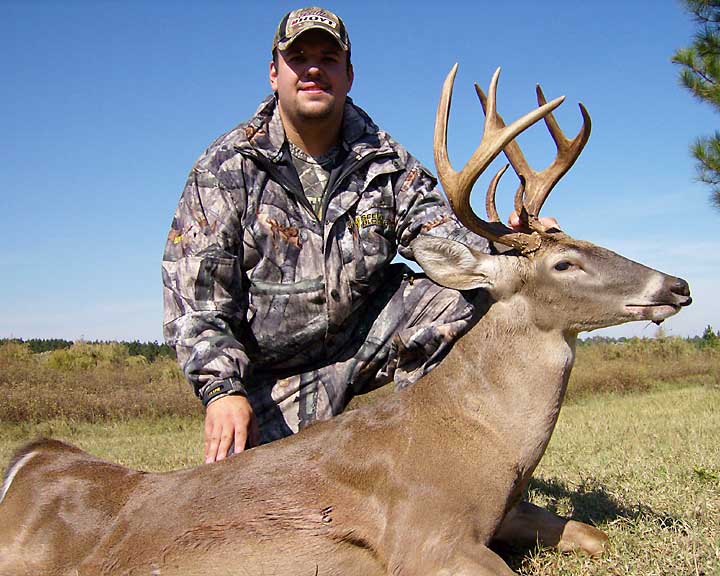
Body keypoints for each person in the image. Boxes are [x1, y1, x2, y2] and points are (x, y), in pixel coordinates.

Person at [162, 6, 545, 463]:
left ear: (348, 75)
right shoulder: (226, 169)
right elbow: (197, 304)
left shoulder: (385, 161)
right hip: (275, 377)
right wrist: (222, 390)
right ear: (273, 73)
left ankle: (440, 456)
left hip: (364, 341)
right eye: (298, 57)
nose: (313, 68)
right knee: (258, 500)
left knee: (480, 294)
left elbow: (442, 239)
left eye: (328, 58)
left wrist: (511, 244)